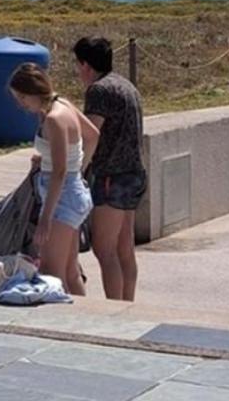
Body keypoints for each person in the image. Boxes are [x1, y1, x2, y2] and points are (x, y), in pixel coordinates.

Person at [9, 63, 98, 296]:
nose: (20, 105)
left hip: (62, 198)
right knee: (70, 272)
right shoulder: (64, 104)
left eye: (21, 98)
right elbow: (92, 136)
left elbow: (59, 171)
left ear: (32, 93)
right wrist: (76, 168)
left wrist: (45, 219)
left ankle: (60, 325)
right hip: (72, 191)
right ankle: (85, 320)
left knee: (51, 272)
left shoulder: (53, 119)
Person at [74, 37, 146, 301]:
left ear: (85, 65)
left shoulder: (99, 90)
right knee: (124, 248)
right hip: (134, 174)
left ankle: (114, 310)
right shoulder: (125, 85)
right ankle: (128, 304)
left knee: (104, 249)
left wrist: (75, 165)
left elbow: (90, 132)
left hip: (111, 177)